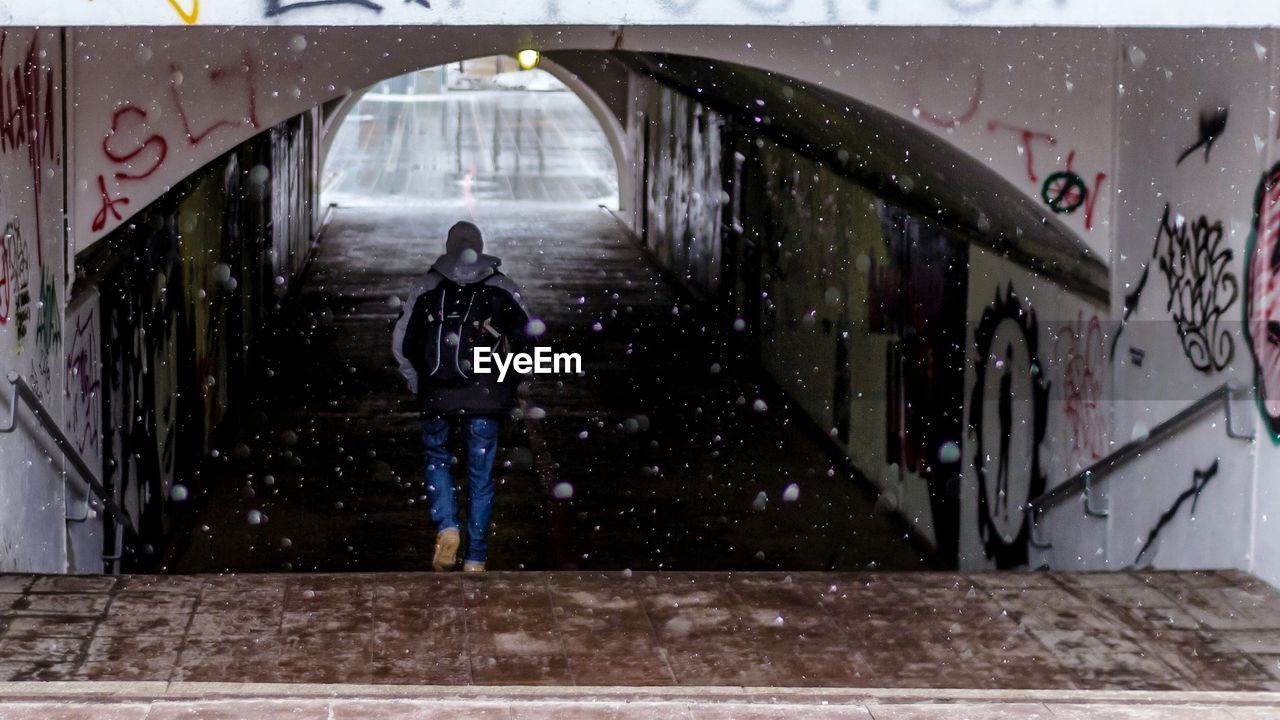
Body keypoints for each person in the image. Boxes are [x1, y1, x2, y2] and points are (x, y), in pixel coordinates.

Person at [391, 221, 531, 572]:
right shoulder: (503, 288)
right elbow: (529, 343)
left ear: (448, 247)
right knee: (480, 476)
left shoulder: (426, 287)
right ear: (481, 249)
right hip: (486, 396)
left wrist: (418, 383)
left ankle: (447, 526)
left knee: (438, 459)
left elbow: (402, 345)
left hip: (437, 395)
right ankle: (475, 558)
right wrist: (508, 383)